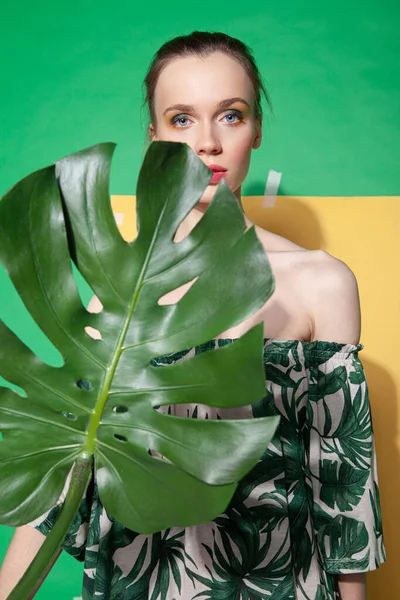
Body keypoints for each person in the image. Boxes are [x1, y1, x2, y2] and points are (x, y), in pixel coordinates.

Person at [0, 31, 385, 600]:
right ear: (154, 135)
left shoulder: (320, 283)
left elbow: (342, 484)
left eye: (229, 115)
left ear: (257, 128)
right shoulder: (118, 300)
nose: (208, 142)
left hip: (278, 582)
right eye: (181, 120)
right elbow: (65, 473)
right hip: (139, 581)